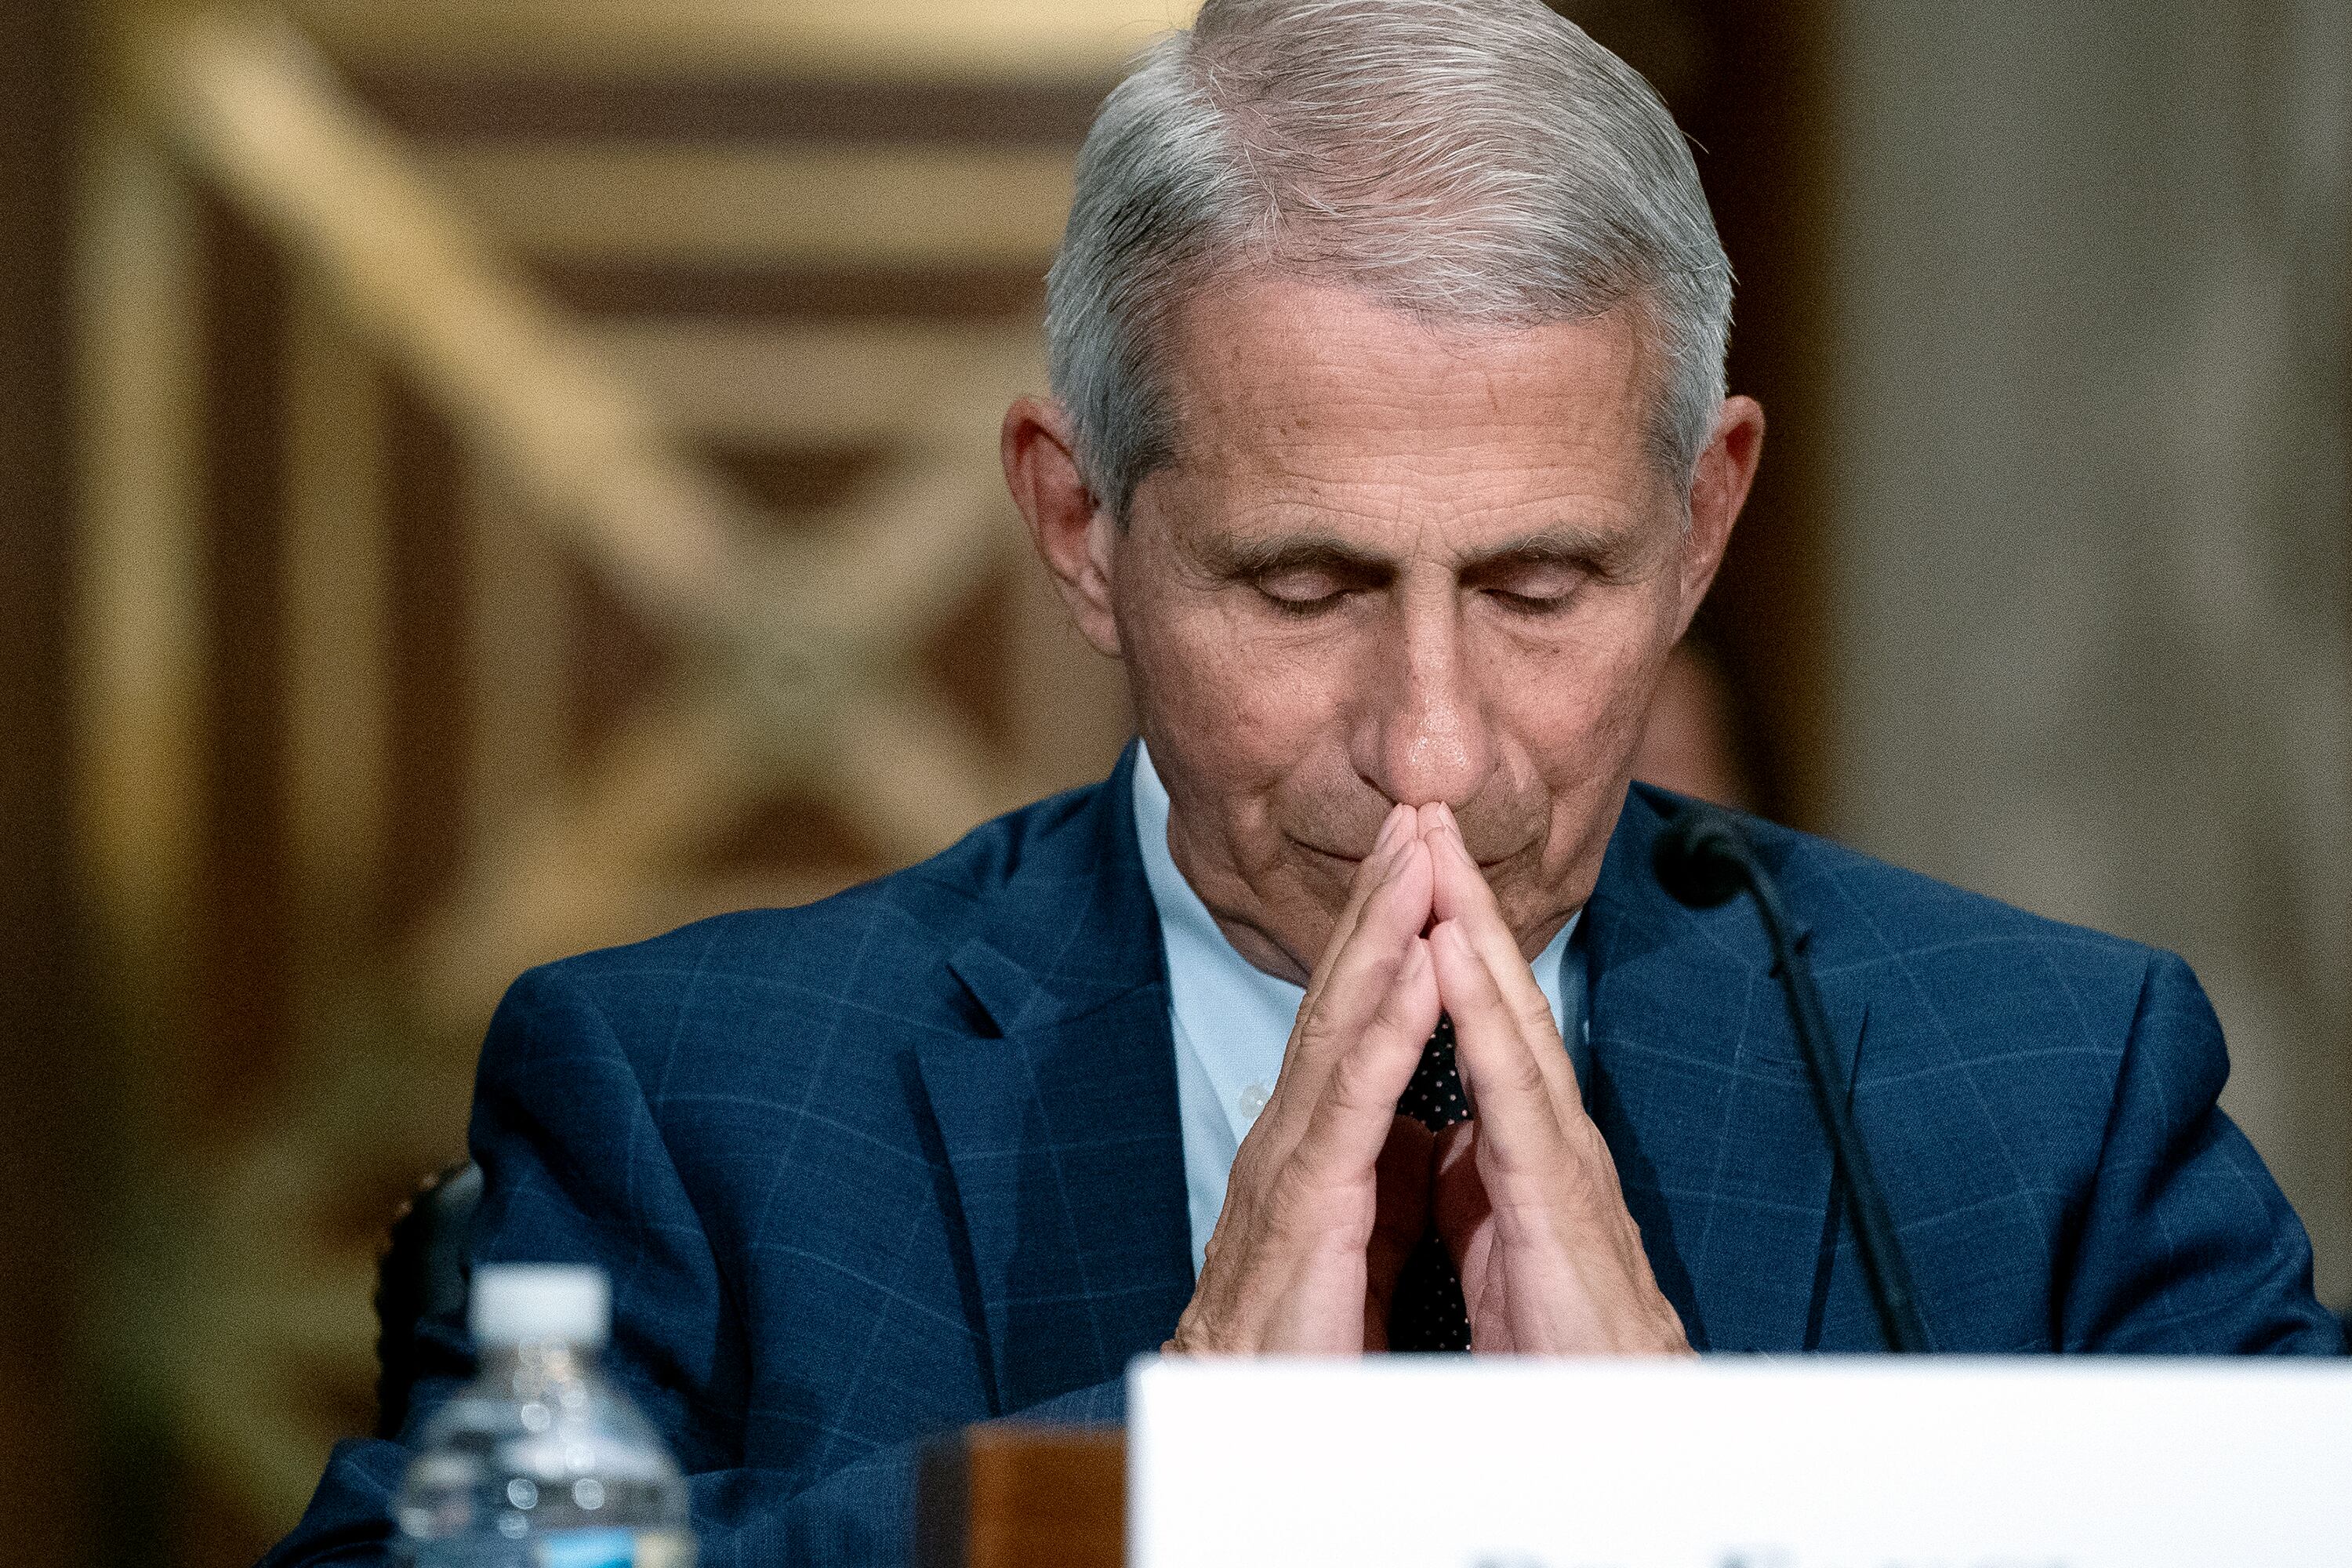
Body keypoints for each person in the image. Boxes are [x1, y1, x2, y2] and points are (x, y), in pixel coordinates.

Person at [263, 0, 2343, 1563]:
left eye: (1541, 587)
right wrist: (1171, 1472)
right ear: (1082, 531)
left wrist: (1715, 1505)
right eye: (1304, 586)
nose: (1431, 748)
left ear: (1703, 527)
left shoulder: (2048, 1093)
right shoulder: (690, 1106)